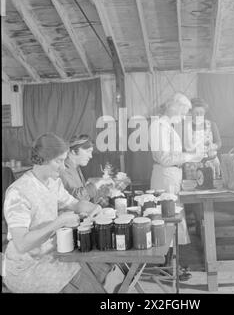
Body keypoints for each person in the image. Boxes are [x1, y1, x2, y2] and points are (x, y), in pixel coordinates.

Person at [3, 133, 121, 293]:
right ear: (43, 159)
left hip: (53, 254)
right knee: (88, 284)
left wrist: (94, 209)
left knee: (102, 262)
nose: (63, 167)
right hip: (26, 266)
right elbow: (22, 244)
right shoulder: (18, 192)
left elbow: (75, 204)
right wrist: (59, 222)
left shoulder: (53, 183)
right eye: (59, 161)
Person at [149, 92, 204, 280]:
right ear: (175, 107)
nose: (183, 117)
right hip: (165, 177)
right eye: (183, 112)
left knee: (172, 219)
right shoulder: (158, 126)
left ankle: (171, 262)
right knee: (168, 220)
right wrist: (191, 156)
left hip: (171, 175)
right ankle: (167, 265)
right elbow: (163, 158)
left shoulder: (167, 126)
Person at [59, 134, 113, 206]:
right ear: (74, 151)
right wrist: (98, 184)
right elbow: (75, 199)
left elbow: (85, 198)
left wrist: (100, 191)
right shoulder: (64, 169)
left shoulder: (76, 168)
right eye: (88, 151)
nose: (90, 156)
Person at [186, 98, 222, 179]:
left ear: (205, 112)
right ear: (191, 112)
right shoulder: (186, 127)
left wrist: (213, 146)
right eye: (196, 113)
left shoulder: (211, 124)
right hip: (193, 165)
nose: (199, 115)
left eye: (201, 113)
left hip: (211, 162)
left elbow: (219, 142)